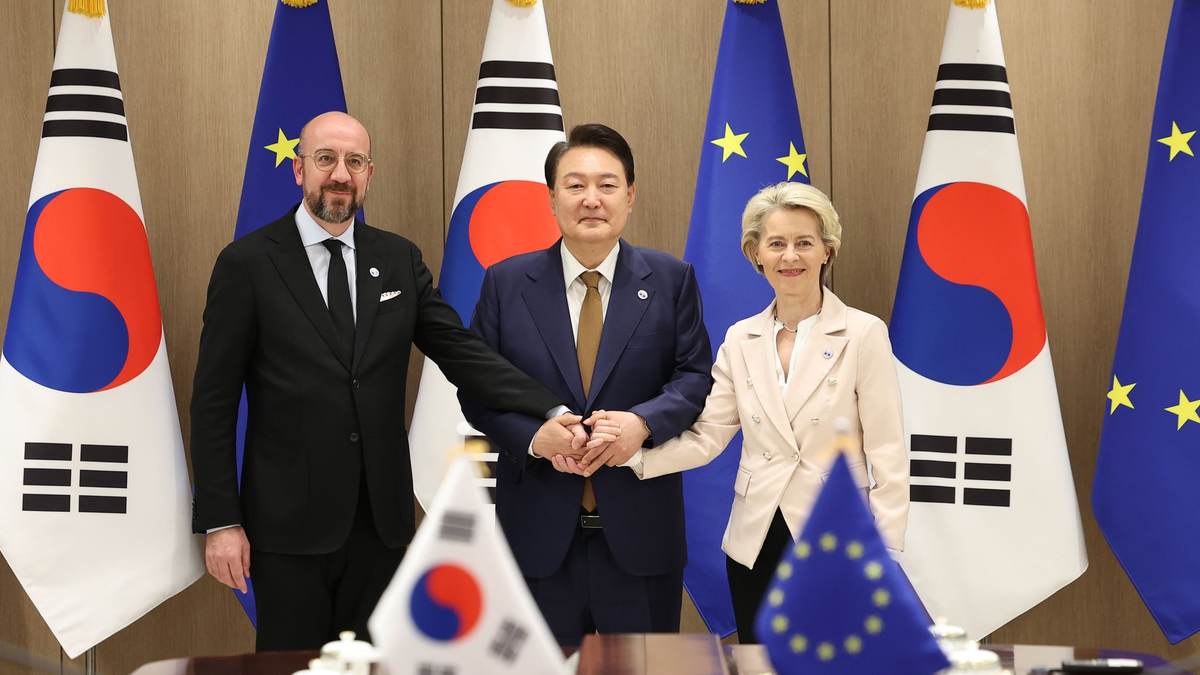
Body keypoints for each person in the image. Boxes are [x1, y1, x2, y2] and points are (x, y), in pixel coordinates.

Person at [189, 111, 580, 651]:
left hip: (381, 524)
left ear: (369, 174)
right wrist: (220, 522)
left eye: (354, 162)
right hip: (285, 529)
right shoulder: (247, 264)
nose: (340, 174)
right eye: (325, 159)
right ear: (298, 169)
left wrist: (550, 409)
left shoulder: (397, 259)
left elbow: (461, 352)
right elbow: (213, 402)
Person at [587, 182, 908, 643]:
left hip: (839, 536)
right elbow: (708, 435)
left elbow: (889, 450)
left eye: (804, 242)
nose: (790, 256)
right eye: (776, 243)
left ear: (827, 251)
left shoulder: (862, 333)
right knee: (759, 663)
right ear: (755, 254)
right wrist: (633, 455)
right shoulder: (740, 338)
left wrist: (886, 547)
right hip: (756, 540)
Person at [458, 123, 713, 646]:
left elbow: (694, 378)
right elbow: (477, 389)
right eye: (575, 185)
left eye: (607, 185)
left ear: (631, 196)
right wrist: (534, 438)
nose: (591, 199)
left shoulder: (671, 280)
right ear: (552, 199)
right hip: (536, 540)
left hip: (641, 540)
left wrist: (642, 425)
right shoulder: (506, 284)